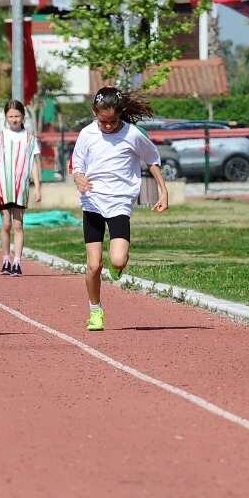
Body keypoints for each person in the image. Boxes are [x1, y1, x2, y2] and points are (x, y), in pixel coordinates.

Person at [71, 86, 169, 333]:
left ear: (120, 115)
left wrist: (163, 191)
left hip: (119, 202)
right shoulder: (86, 134)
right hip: (92, 201)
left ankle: (118, 267)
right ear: (95, 113)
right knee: (94, 265)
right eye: (103, 121)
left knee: (117, 259)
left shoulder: (133, 134)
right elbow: (77, 165)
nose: (108, 126)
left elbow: (152, 158)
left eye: (113, 121)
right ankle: (95, 311)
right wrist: (79, 179)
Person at [0, 99, 44, 276]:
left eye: (17, 116)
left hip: (21, 188)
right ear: (6, 117)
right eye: (10, 116)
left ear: (23, 117)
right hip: (3, 187)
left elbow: (34, 164)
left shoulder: (30, 138)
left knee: (18, 225)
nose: (14, 119)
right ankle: (6, 259)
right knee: (6, 224)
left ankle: (17, 261)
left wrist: (37, 187)